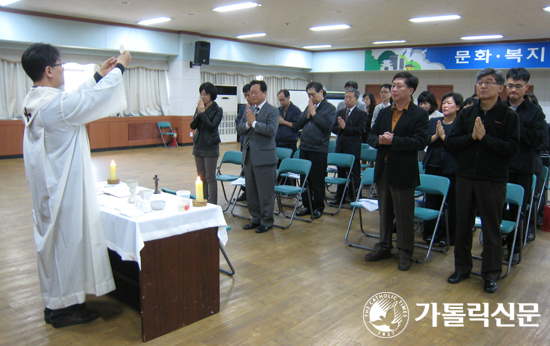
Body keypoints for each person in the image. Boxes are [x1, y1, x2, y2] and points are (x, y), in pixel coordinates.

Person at [20, 43, 132, 328]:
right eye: (59, 65)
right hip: (64, 192)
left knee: (56, 247)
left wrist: (98, 75)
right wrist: (119, 67)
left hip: (50, 190)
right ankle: (63, 309)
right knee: (66, 246)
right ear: (48, 70)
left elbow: (75, 99)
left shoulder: (36, 101)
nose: (62, 69)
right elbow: (90, 102)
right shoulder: (55, 107)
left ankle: (59, 303)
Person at [446, 68, 519, 294]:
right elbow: (452, 143)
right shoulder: (467, 114)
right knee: (462, 226)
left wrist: (485, 138)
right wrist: (472, 138)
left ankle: (490, 274)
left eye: (488, 82)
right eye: (480, 82)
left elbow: (511, 149)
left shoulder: (508, 116)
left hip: (493, 180)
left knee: (491, 228)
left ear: (500, 87)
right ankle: (462, 268)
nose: (483, 86)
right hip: (466, 177)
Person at [365, 71, 429, 271]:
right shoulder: (384, 112)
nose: (394, 89)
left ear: (410, 90)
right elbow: (371, 135)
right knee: (384, 212)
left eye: (399, 86)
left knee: (404, 215)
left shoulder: (419, 114)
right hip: (383, 168)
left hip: (403, 171)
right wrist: (379, 140)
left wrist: (394, 140)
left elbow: (421, 141)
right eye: (393, 86)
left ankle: (405, 251)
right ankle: (384, 245)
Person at [503, 68, 548, 259]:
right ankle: (497, 244)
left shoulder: (534, 112)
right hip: (499, 167)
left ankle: (514, 248)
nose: (513, 90)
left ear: (526, 87)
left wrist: (515, 125)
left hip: (522, 168)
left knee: (517, 211)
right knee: (495, 209)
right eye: (510, 85)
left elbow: (540, 140)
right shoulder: (499, 107)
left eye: (518, 86)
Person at [236, 80, 279, 233]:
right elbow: (240, 128)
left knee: (265, 192)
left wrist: (253, 123)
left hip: (265, 158)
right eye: (251, 93)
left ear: (264, 93)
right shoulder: (249, 109)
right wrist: (248, 124)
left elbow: (271, 130)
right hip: (248, 156)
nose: (252, 95)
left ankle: (267, 221)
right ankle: (255, 218)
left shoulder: (272, 110)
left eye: (255, 93)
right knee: (251, 191)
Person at [422, 92, 463, 247]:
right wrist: (436, 137)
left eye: (449, 103)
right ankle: (430, 233)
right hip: (433, 165)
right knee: (431, 201)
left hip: (451, 169)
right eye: (444, 103)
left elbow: (459, 145)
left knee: (451, 205)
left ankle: (448, 235)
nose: (445, 106)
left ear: (458, 107)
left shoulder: (460, 123)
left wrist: (444, 137)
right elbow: (424, 139)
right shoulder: (434, 121)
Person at [296, 81, 337, 220]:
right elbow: (298, 124)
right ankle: (307, 205)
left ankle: (318, 207)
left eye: (313, 94)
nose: (311, 97)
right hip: (305, 147)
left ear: (321, 92)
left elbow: (327, 126)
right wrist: (308, 114)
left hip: (319, 149)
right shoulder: (309, 107)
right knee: (305, 179)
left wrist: (314, 114)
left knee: (318, 180)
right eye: (309, 95)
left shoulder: (330, 108)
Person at [329, 89, 367, 206]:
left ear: (356, 99)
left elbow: (360, 130)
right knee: (340, 172)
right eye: (345, 98)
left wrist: (345, 127)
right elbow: (334, 128)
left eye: (350, 98)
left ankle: (355, 197)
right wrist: (340, 128)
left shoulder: (361, 114)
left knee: (354, 173)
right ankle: (339, 197)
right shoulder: (340, 112)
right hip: (340, 146)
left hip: (353, 148)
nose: (347, 100)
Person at [190, 82, 223, 204]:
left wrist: (203, 113)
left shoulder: (218, 110)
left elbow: (211, 126)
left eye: (205, 94)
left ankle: (212, 204)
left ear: (211, 95)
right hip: (199, 145)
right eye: (201, 94)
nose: (202, 97)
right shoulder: (199, 108)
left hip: (210, 147)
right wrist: (199, 113)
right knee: (201, 177)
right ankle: (202, 200)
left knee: (210, 178)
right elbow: (193, 125)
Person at [235, 84, 251, 202]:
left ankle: (253, 193)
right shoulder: (243, 108)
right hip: (244, 142)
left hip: (255, 144)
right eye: (245, 96)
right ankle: (245, 192)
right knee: (244, 168)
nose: (247, 98)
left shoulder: (261, 108)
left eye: (248, 95)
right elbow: (238, 122)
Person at [275, 89, 302, 154]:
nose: (281, 102)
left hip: (289, 143)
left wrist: (284, 122)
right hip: (278, 142)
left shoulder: (296, 110)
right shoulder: (278, 110)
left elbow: (297, 126)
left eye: (283, 100)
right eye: (280, 100)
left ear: (288, 97)